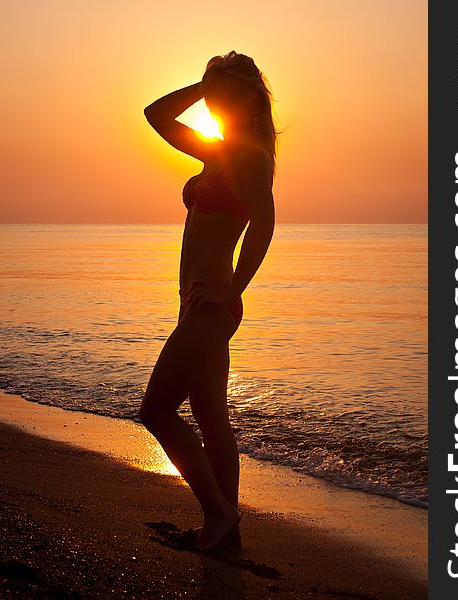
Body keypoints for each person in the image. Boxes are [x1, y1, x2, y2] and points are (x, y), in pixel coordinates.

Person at [139, 51, 278, 551]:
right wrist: (206, 85)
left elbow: (263, 225)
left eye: (226, 95)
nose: (216, 104)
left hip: (212, 305)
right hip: (195, 304)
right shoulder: (216, 151)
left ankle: (219, 512)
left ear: (249, 99)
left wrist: (231, 290)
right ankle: (228, 532)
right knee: (210, 416)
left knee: (155, 411)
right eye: (211, 96)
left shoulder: (251, 158)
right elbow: (155, 115)